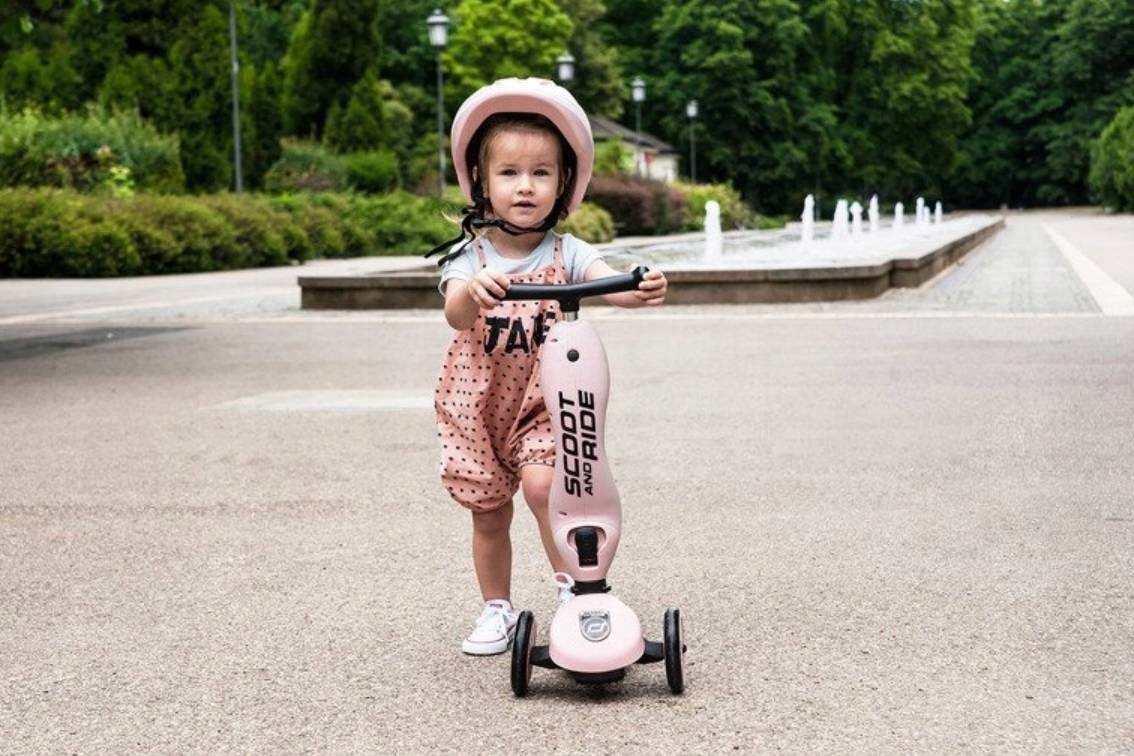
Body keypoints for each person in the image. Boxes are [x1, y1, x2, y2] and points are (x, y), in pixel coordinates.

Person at [426, 78, 668, 655]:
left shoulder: (569, 252)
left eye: (541, 173)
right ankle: (497, 608)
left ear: (563, 183)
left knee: (546, 487)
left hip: (546, 401)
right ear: (481, 182)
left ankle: (575, 591)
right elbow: (455, 313)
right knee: (489, 514)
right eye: (509, 173)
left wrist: (639, 287)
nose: (525, 186)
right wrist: (473, 292)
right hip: (477, 404)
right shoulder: (469, 257)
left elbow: (609, 283)